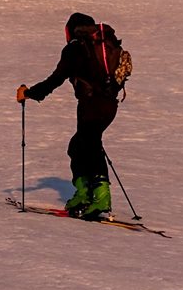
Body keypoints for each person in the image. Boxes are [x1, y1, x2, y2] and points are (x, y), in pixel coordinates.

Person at [16, 12, 119, 218]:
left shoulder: (75, 48)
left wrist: (28, 93)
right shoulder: (101, 45)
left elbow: (56, 79)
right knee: (80, 145)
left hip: (91, 105)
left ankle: (99, 196)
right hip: (109, 105)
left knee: (89, 145)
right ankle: (86, 193)